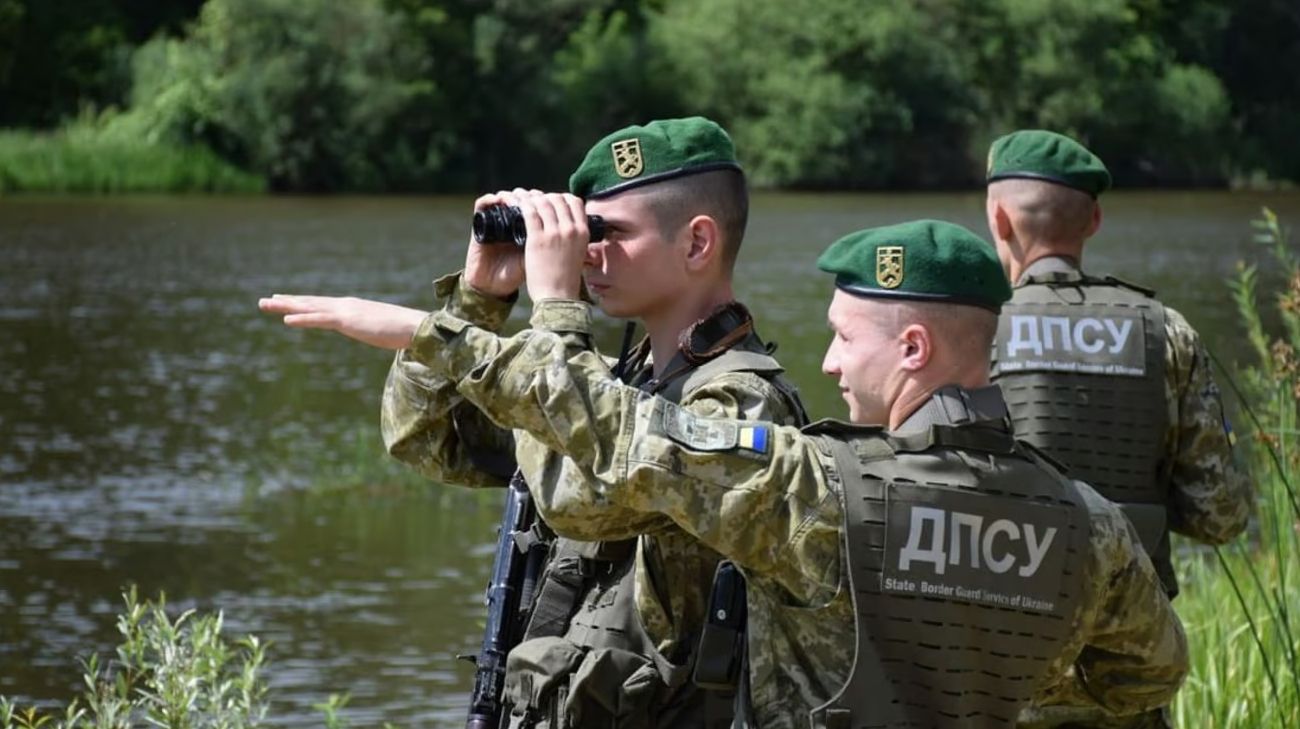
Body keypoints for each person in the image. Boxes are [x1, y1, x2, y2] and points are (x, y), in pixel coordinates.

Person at [317, 216, 1187, 728]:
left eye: (845, 338)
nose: (832, 363)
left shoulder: (823, 491)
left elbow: (636, 433)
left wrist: (437, 333)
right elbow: (1148, 674)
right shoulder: (1087, 521)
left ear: (914, 349)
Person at [261, 117, 807, 728]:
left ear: (698, 243)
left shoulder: (744, 405)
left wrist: (551, 309)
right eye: (581, 230)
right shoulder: (611, 386)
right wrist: (479, 300)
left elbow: (583, 502)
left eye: (608, 233)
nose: (585, 251)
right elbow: (424, 437)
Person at [984, 129, 1251, 729]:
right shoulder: (1165, 332)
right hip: (1127, 669)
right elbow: (1222, 515)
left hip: (1004, 670)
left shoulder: (972, 331)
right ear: (1095, 220)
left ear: (999, 219)